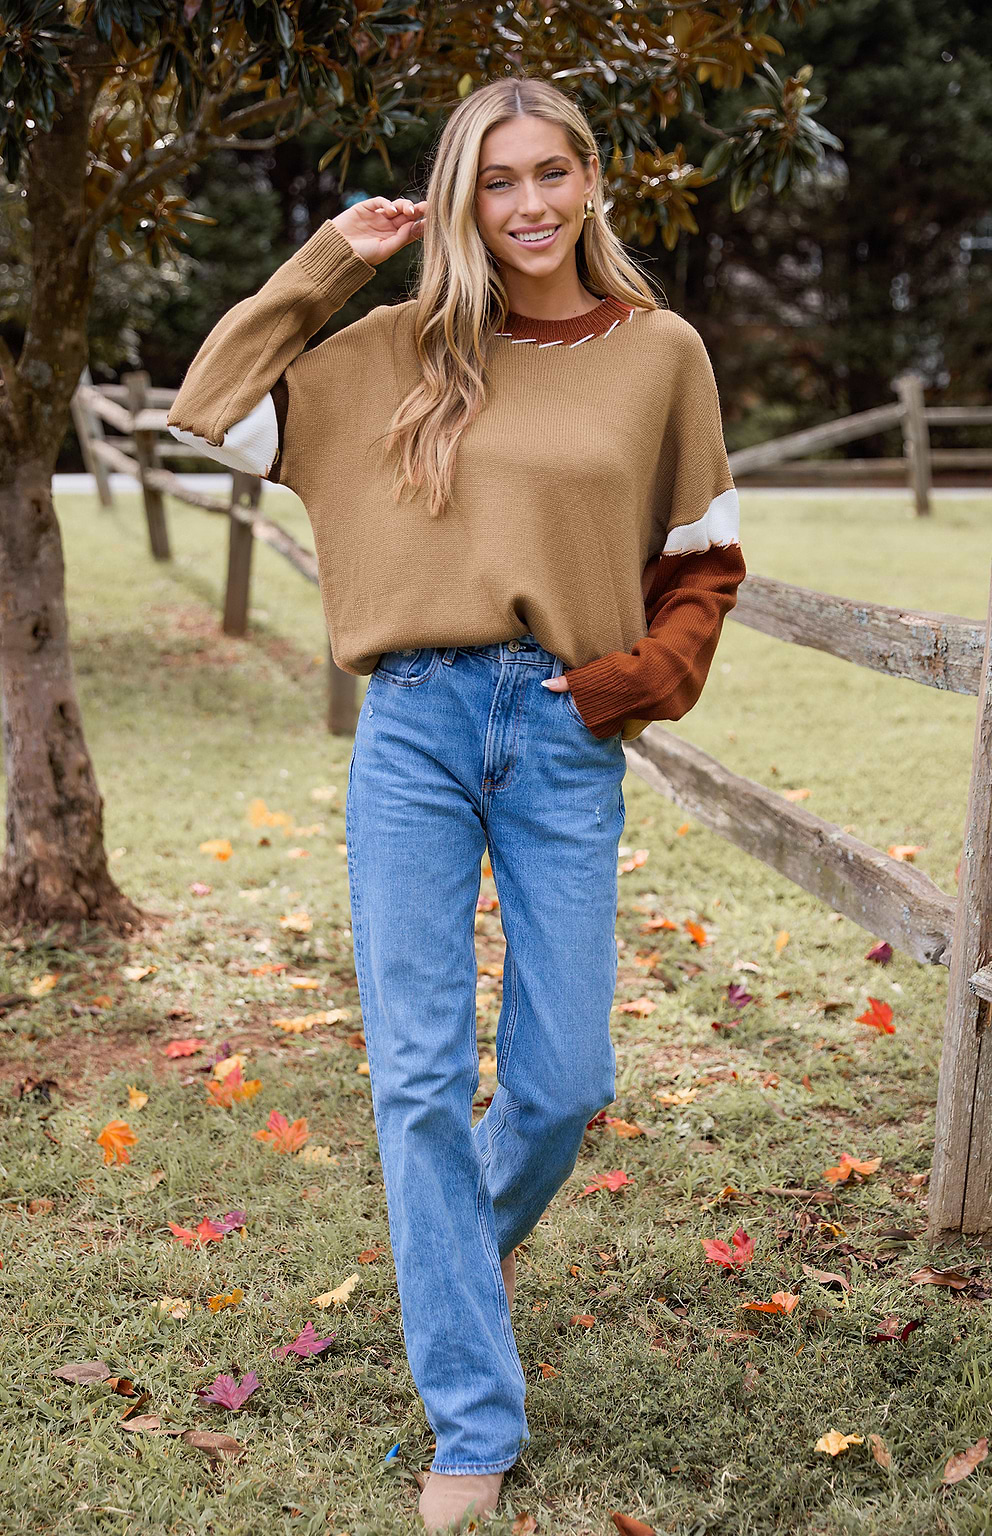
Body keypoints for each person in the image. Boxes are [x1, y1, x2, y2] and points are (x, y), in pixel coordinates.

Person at [168, 73, 746, 1536]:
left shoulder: (659, 352)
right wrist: (332, 260)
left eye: (555, 173)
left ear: (591, 182)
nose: (532, 204)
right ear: (460, 201)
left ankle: (451, 1262)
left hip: (562, 731)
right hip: (414, 729)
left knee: (563, 1083)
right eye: (499, 181)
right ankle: (471, 1424)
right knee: (418, 1077)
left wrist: (629, 685)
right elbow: (212, 408)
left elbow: (703, 559)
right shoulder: (393, 350)